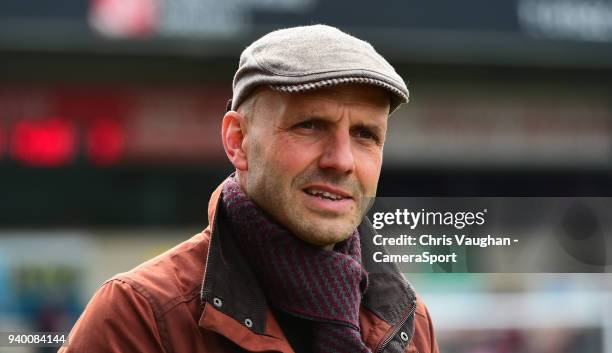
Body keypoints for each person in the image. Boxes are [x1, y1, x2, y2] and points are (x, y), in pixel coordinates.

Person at [60, 24, 439, 353]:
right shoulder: (141, 315)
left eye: (365, 134)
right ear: (237, 141)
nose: (342, 160)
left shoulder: (409, 320)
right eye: (310, 125)